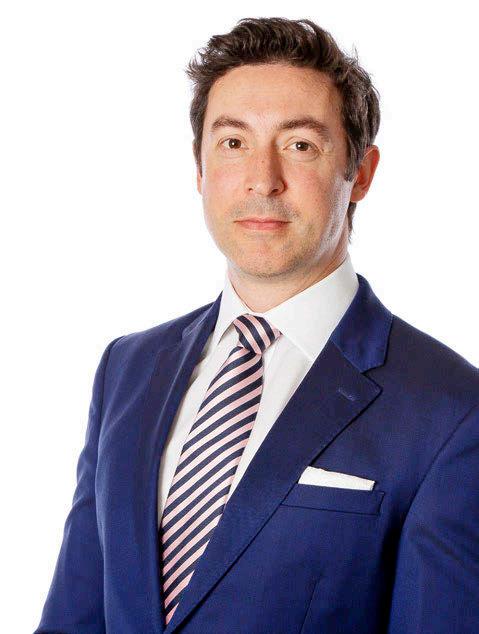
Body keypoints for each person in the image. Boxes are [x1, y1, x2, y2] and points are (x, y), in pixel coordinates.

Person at [34, 16, 479, 634]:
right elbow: (75, 616)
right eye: (233, 142)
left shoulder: (452, 411)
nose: (262, 180)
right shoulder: (127, 369)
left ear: (361, 172)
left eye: (300, 145)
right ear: (199, 168)